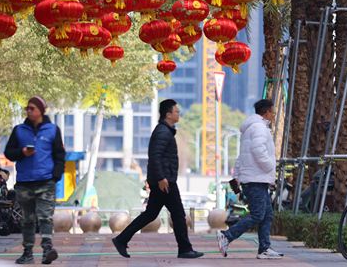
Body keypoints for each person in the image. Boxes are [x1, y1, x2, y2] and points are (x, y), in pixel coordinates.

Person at [112, 99, 203, 259]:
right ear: (168, 115)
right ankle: (185, 249)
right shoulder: (162, 132)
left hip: (162, 180)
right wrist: (161, 178)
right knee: (178, 214)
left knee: (152, 214)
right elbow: (155, 157)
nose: (178, 113)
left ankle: (121, 239)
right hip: (164, 181)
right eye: (176, 111)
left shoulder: (165, 131)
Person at [217, 99, 283, 260]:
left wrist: (238, 175)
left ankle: (264, 249)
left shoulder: (250, 129)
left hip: (253, 178)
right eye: (273, 113)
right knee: (259, 214)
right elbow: (258, 150)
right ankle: (227, 236)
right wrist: (270, 166)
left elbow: (242, 156)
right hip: (256, 179)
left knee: (267, 214)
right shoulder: (260, 128)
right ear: (267, 112)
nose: (273, 116)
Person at [4, 97, 66, 265]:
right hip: (24, 182)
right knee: (27, 220)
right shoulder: (19, 130)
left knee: (46, 217)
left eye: (32, 108)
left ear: (41, 110)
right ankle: (28, 253)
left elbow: (60, 156)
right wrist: (21, 152)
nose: (29, 111)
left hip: (46, 182)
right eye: (27, 108)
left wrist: (55, 177)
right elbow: (8, 152)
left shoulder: (53, 130)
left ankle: (47, 249)